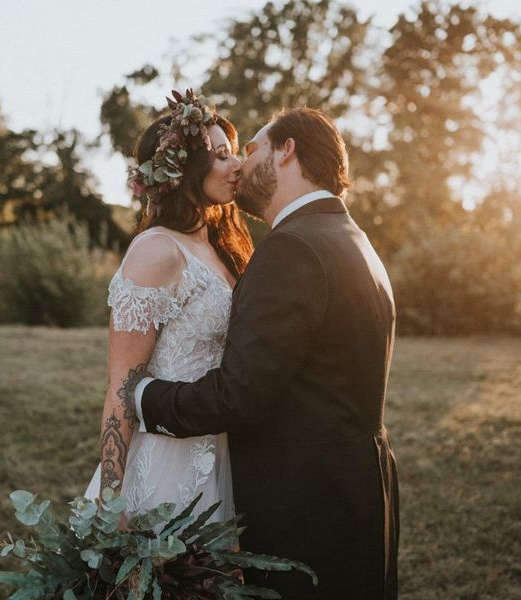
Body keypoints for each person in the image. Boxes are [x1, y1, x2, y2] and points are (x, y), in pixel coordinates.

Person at [132, 108, 399, 598]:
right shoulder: (350, 238)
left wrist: (145, 398)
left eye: (249, 147)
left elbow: (240, 395)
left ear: (287, 150)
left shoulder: (292, 248)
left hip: (306, 505)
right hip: (358, 490)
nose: (238, 163)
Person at [84, 90, 253, 527]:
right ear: (182, 169)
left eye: (232, 153)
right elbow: (122, 386)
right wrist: (110, 499)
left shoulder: (219, 248)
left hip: (220, 451)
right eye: (220, 155)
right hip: (166, 463)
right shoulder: (156, 250)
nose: (236, 165)